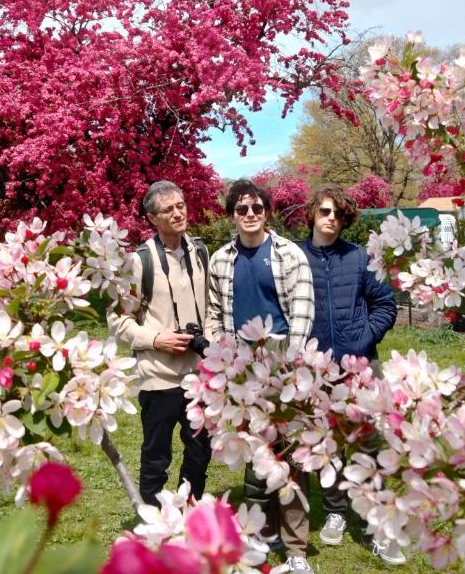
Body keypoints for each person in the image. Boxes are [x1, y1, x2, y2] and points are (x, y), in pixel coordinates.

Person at [206, 179, 315, 574]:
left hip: (285, 362)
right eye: (241, 209)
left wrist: (291, 367)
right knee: (255, 452)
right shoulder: (221, 260)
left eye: (256, 208)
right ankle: (260, 534)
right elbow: (215, 313)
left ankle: (296, 546)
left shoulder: (289, 255)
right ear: (232, 215)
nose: (249, 215)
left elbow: (302, 316)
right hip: (239, 365)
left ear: (267, 212)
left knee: (290, 455)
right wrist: (224, 359)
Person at [298, 183, 405, 565]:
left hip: (361, 367)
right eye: (325, 211)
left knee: (367, 444)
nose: (331, 219)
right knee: (328, 444)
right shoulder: (295, 258)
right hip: (316, 370)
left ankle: (375, 524)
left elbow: (385, 304)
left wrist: (365, 336)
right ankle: (335, 513)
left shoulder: (360, 258)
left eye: (339, 215)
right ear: (313, 213)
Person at [107, 181, 211, 507]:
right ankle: (152, 515)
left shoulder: (202, 252)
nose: (178, 213)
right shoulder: (139, 262)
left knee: (201, 449)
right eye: (169, 209)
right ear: (153, 218)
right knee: (157, 454)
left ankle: (187, 509)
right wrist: (156, 339)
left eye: (180, 205)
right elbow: (118, 320)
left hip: (199, 374)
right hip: (159, 375)